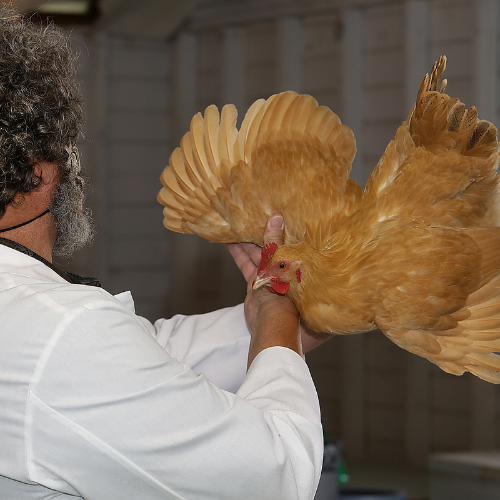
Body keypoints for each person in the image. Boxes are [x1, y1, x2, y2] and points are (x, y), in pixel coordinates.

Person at [0, 6, 328, 500]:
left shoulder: (40, 327)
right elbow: (275, 473)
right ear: (37, 176)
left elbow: (138, 367)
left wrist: (268, 326)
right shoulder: (59, 334)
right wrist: (278, 317)